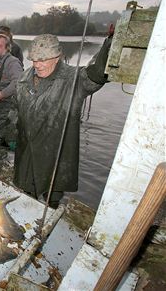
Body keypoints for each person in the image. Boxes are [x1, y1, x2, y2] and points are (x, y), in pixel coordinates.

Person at [12, 33, 113, 208]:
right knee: (27, 192)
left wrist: (109, 45)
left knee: (53, 194)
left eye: (43, 60)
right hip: (27, 151)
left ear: (57, 57)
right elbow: (15, 108)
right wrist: (12, 131)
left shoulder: (75, 79)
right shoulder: (24, 77)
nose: (37, 65)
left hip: (56, 153)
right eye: (34, 60)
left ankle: (51, 208)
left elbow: (97, 74)